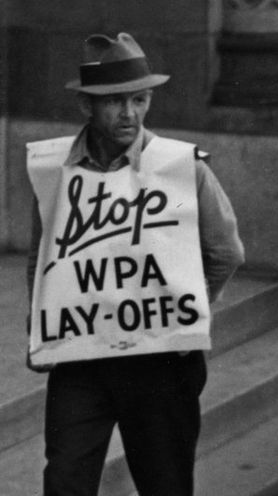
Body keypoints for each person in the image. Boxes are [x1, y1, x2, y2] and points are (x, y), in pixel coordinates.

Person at [26, 33, 244, 496]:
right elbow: (41, 257)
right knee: (64, 477)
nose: (129, 114)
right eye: (114, 102)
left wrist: (187, 309)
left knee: (164, 483)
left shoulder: (182, 168)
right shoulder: (53, 173)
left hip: (159, 360)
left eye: (139, 100)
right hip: (80, 358)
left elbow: (226, 251)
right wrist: (41, 329)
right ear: (86, 105)